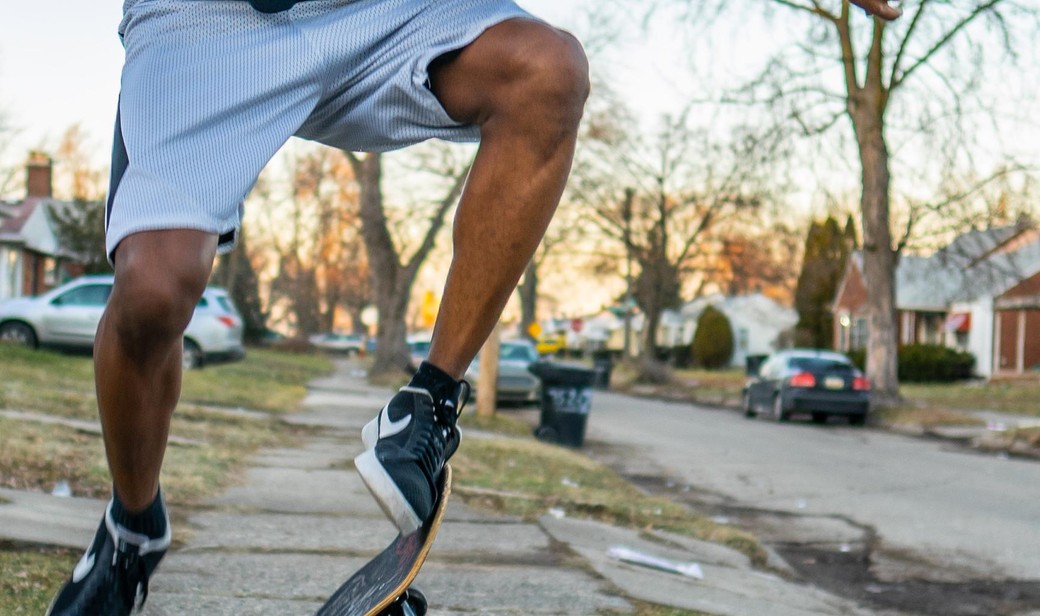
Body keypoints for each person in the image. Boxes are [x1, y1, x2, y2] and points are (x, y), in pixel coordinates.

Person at [45, 0, 899, 613]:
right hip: (208, 22)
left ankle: (428, 401)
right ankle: (133, 527)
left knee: (547, 68)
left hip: (383, 13)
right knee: (154, 293)